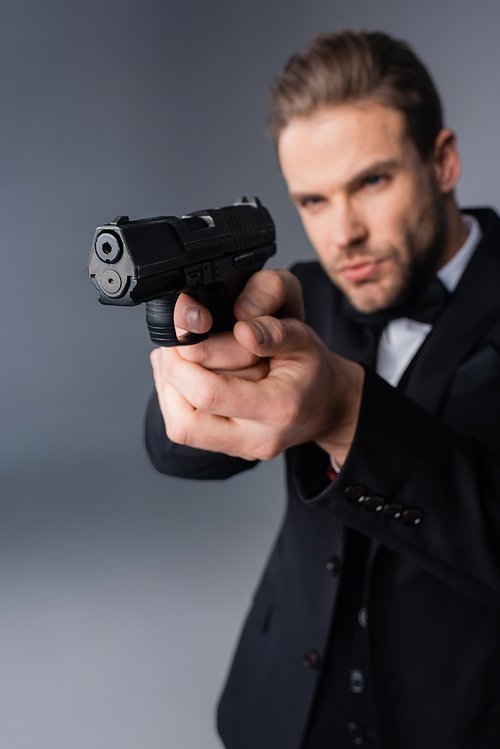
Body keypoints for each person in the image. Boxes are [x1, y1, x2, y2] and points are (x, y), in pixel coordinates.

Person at [145, 31, 500, 749]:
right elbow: (177, 454)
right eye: (313, 199)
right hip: (279, 712)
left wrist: (345, 412)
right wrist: (200, 357)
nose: (344, 234)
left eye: (372, 181)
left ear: (442, 161)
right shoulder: (300, 297)